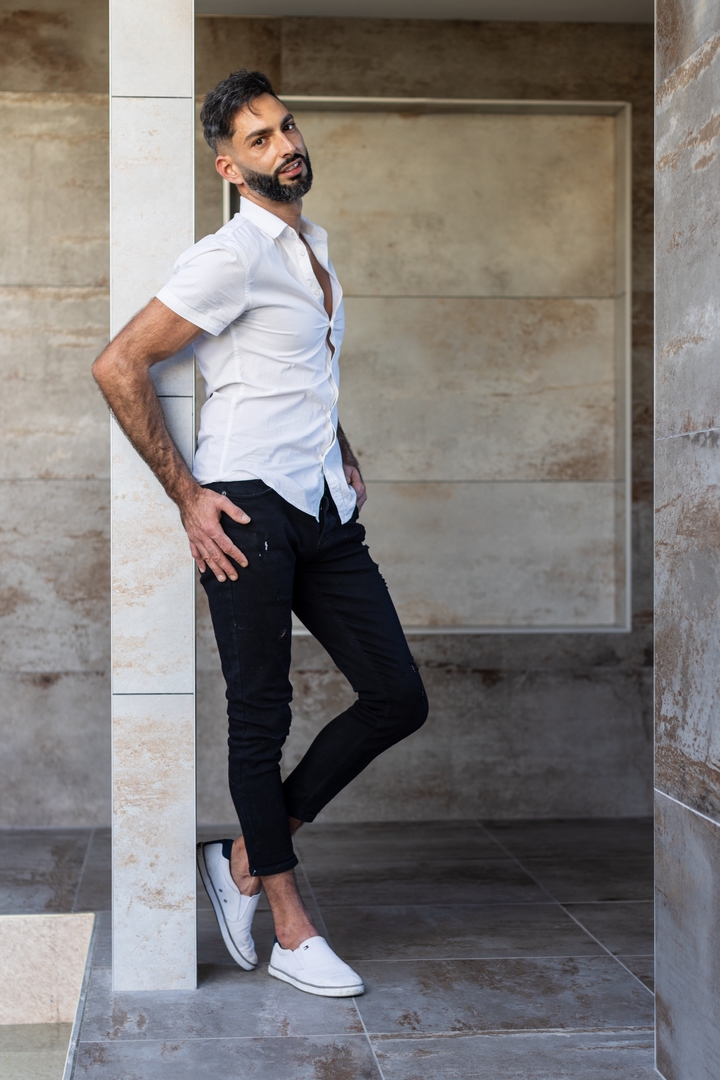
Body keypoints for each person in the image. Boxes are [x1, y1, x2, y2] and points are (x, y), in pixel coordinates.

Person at [92, 69, 428, 998]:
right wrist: (188, 496)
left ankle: (242, 855)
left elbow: (299, 370)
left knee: (397, 696)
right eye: (260, 139)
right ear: (229, 167)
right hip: (247, 505)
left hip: (321, 506)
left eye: (286, 127)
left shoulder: (313, 246)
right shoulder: (231, 254)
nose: (286, 146)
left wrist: (341, 449)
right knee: (260, 717)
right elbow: (119, 364)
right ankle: (288, 927)